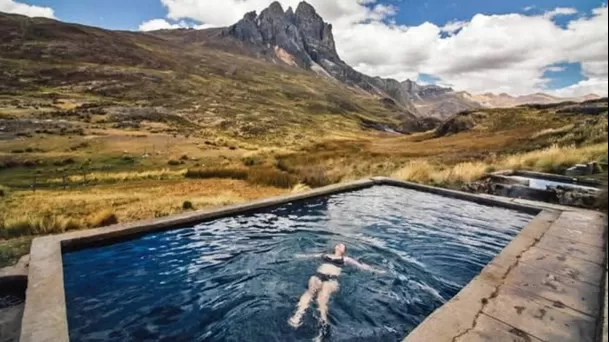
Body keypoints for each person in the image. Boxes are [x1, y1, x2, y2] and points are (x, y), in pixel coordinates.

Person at [288, 243, 385, 337]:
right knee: (310, 292)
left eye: (342, 245)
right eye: (338, 244)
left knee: (323, 299)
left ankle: (322, 322)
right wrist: (295, 256)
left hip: (331, 279)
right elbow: (309, 256)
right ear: (334, 247)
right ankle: (298, 315)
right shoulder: (325, 255)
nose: (339, 245)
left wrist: (377, 271)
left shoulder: (345, 259)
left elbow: (361, 266)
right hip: (318, 275)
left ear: (344, 251)